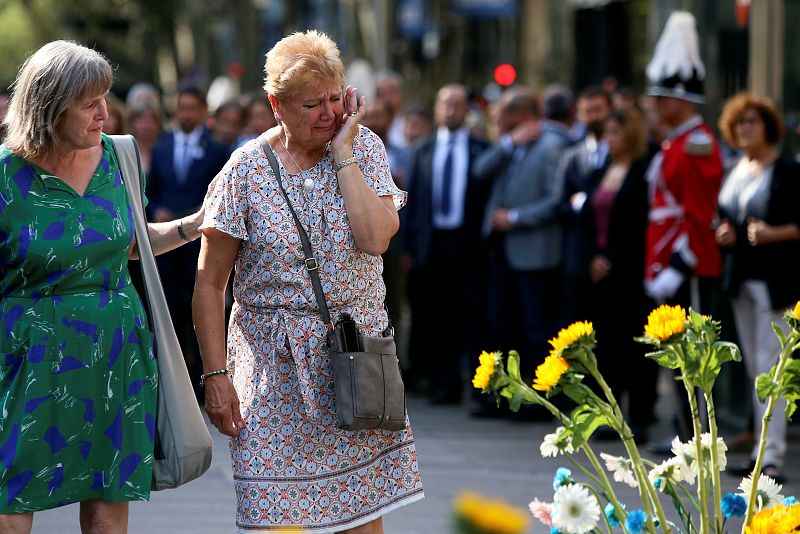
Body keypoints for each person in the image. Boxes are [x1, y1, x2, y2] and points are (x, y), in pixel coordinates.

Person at [193, 30, 424, 533]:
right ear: (276, 105)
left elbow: (376, 238)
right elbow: (210, 283)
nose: (329, 113)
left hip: (355, 361)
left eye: (335, 99)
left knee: (359, 517)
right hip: (272, 368)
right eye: (311, 104)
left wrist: (344, 153)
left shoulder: (364, 149)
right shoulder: (244, 171)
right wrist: (216, 377)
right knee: (275, 518)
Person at [0, 40, 205, 533]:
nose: (105, 114)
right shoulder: (6, 175)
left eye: (106, 99)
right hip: (27, 357)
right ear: (49, 107)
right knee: (11, 502)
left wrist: (196, 224)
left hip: (116, 354)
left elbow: (129, 244)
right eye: (90, 103)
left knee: (108, 502)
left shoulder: (119, 158)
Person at [716, 93, 800, 484]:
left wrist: (773, 233)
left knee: (771, 369)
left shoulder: (786, 171)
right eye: (740, 122)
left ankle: (772, 459)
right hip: (740, 279)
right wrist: (725, 234)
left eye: (753, 121)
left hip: (776, 280)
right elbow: (726, 217)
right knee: (755, 370)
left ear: (769, 126)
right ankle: (761, 450)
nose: (745, 129)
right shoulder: (735, 168)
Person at [474, 85, 573, 393]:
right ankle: (508, 393)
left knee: (536, 328)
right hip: (503, 251)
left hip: (535, 253)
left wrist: (515, 217)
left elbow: (556, 201)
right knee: (503, 324)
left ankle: (541, 395)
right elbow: (480, 170)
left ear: (520, 115)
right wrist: (507, 144)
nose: (495, 117)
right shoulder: (510, 143)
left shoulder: (551, 145)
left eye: (502, 112)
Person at [402, 84, 490, 404]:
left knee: (474, 317)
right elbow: (411, 201)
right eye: (445, 105)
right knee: (437, 317)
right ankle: (445, 384)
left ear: (466, 109)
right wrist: (409, 246)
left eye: (456, 105)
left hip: (469, 245)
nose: (451, 110)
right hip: (433, 245)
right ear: (437, 108)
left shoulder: (482, 148)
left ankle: (480, 389)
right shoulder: (422, 150)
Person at [147, 85, 230, 400]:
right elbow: (151, 191)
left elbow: (217, 195)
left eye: (192, 108)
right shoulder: (162, 146)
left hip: (198, 243)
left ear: (202, 111)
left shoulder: (217, 148)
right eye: (181, 107)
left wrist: (187, 218)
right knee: (170, 316)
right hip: (167, 252)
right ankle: (170, 386)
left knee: (198, 312)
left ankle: (201, 386)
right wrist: (157, 211)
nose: (185, 114)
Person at [578, 108, 656, 442]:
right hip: (598, 274)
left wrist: (611, 259)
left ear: (632, 135)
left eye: (616, 132)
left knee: (633, 346)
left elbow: (640, 224)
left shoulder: (642, 172)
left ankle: (640, 417)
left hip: (628, 273)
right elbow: (584, 220)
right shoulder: (600, 171)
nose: (609, 138)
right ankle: (609, 415)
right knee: (605, 345)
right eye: (607, 132)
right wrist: (592, 258)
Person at [555, 85, 613, 326]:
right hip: (578, 259)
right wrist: (579, 205)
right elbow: (559, 205)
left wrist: (581, 201)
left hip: (612, 258)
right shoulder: (572, 156)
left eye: (598, 110)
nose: (593, 117)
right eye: (587, 111)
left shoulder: (623, 154)